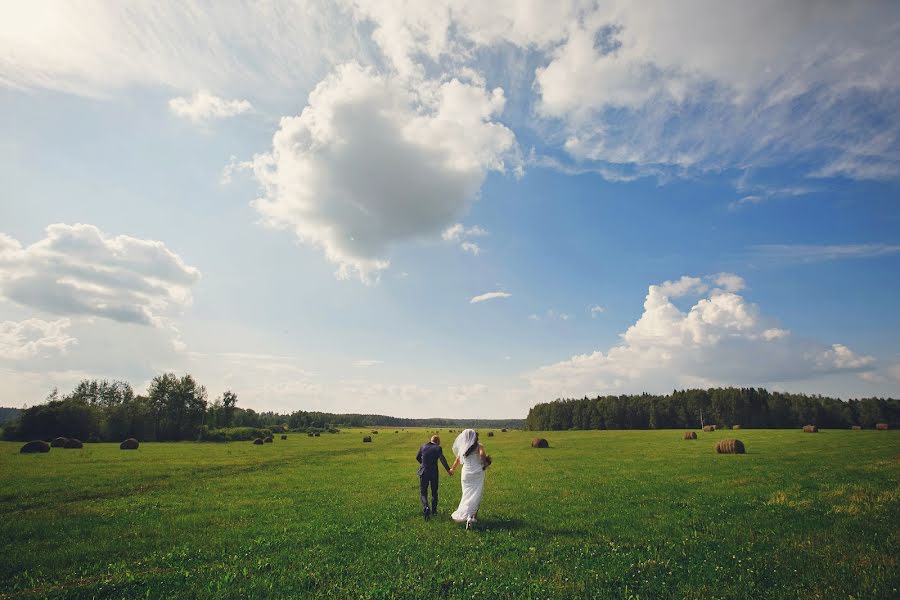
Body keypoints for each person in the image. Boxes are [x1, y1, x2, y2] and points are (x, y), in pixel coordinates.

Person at [449, 429, 490, 530]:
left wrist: (452, 469)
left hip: (466, 474)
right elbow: (481, 455)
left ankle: (467, 515)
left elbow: (458, 460)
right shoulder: (479, 445)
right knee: (476, 494)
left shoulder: (463, 447)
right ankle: (472, 517)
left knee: (466, 494)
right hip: (477, 473)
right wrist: (485, 463)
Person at [416, 434, 452, 520]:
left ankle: (426, 507)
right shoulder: (438, 448)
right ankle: (434, 511)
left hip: (423, 471)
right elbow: (442, 459)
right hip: (433, 473)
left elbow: (417, 457)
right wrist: (448, 469)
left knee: (423, 492)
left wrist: (423, 464)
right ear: (438, 441)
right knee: (434, 492)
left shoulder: (423, 446)